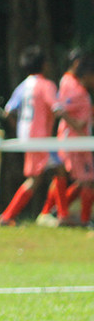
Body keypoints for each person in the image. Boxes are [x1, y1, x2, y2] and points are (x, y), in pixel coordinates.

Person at [0, 46, 60, 226]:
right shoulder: (46, 85)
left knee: (40, 176)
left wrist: (19, 127)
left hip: (26, 136)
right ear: (44, 65)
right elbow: (57, 108)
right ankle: (58, 214)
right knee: (59, 170)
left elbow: (8, 111)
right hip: (40, 137)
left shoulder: (23, 86)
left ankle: (11, 215)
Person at [37, 50, 94, 227]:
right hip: (74, 141)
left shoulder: (77, 87)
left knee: (83, 179)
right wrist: (77, 124)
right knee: (85, 180)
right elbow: (62, 109)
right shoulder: (72, 86)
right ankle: (66, 214)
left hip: (79, 141)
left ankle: (56, 210)